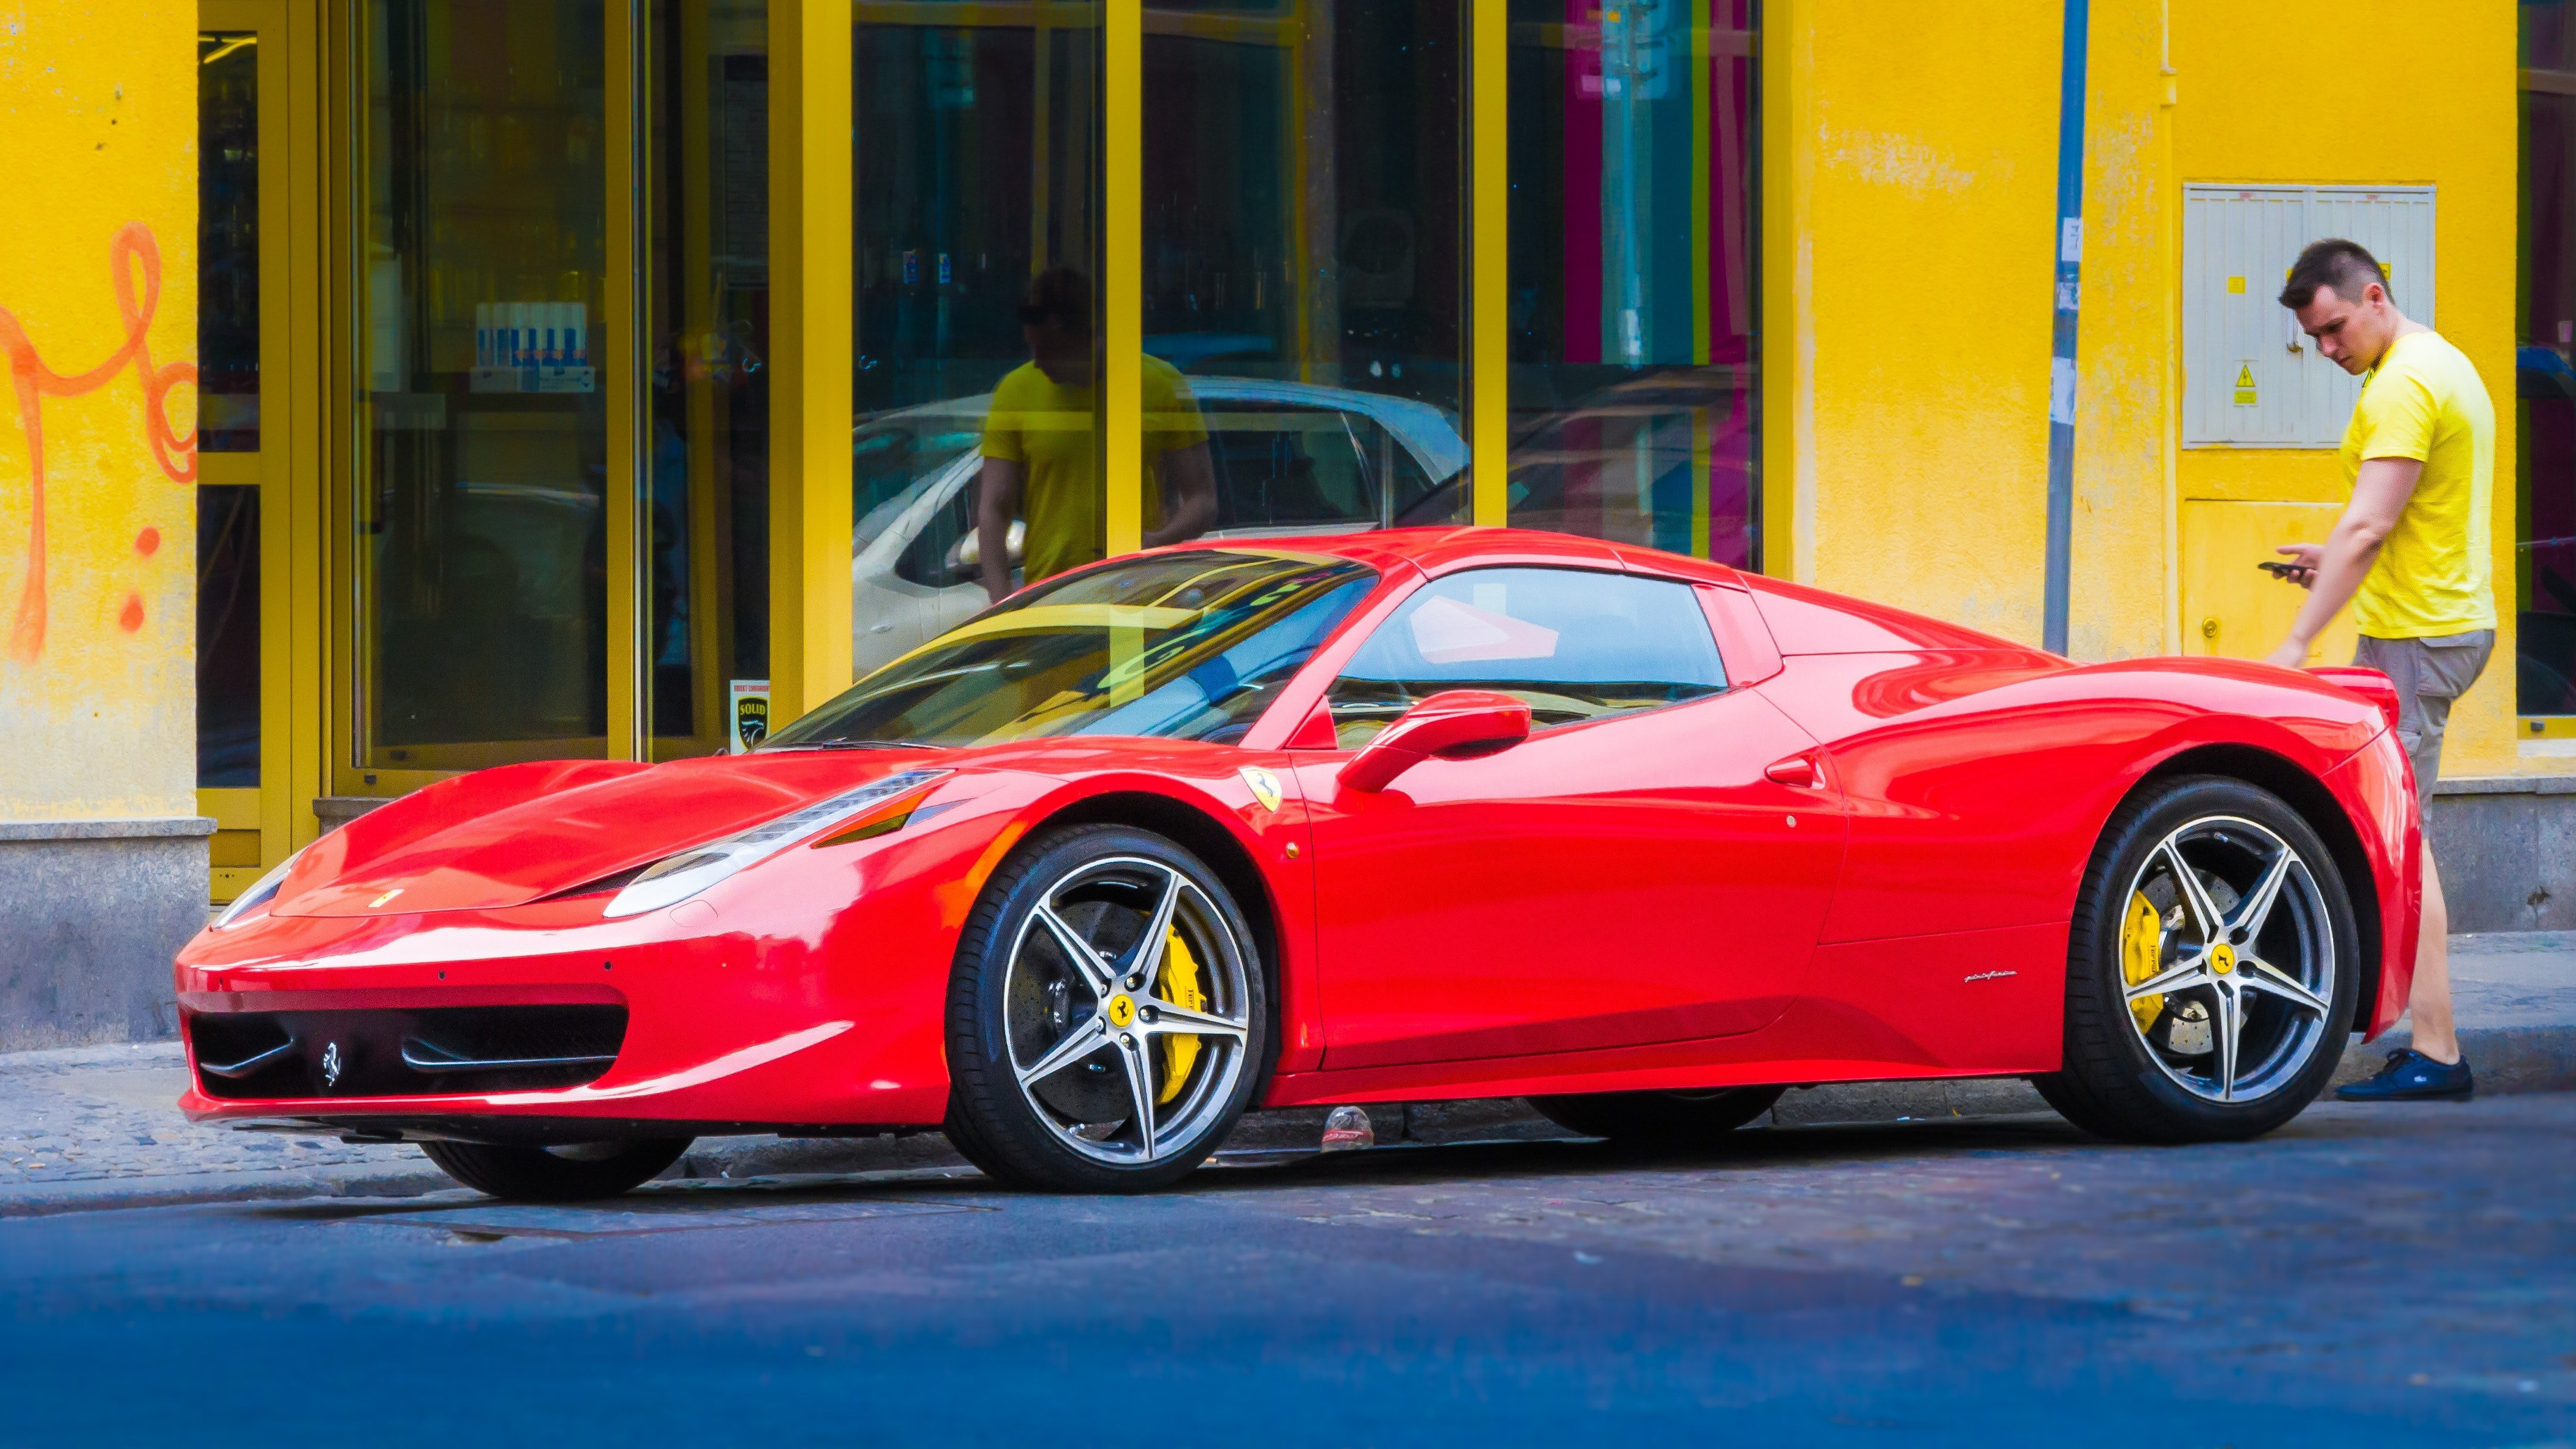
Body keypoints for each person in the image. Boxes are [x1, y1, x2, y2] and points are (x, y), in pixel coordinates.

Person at [2263, 238, 2494, 1102]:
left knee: (2406, 846)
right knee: (2404, 840)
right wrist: (2331, 557)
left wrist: (2294, 644)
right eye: (2315, 337)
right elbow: (2393, 520)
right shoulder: (2432, 361)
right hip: (2430, 625)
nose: (2327, 348)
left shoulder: (2402, 383)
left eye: (2332, 328)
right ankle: (2428, 1040)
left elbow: (2369, 528)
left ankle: (2437, 1049)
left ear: (2371, 295)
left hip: (2418, 640)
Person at [977, 267, 1217, 602]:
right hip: (1051, 596)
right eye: (1033, 349)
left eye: (1049, 351)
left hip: (1138, 591)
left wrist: (1156, 542)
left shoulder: (1158, 386)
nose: (1039, 364)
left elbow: (1202, 500)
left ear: (1090, 337)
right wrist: (1002, 604)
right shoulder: (1014, 392)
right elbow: (993, 509)